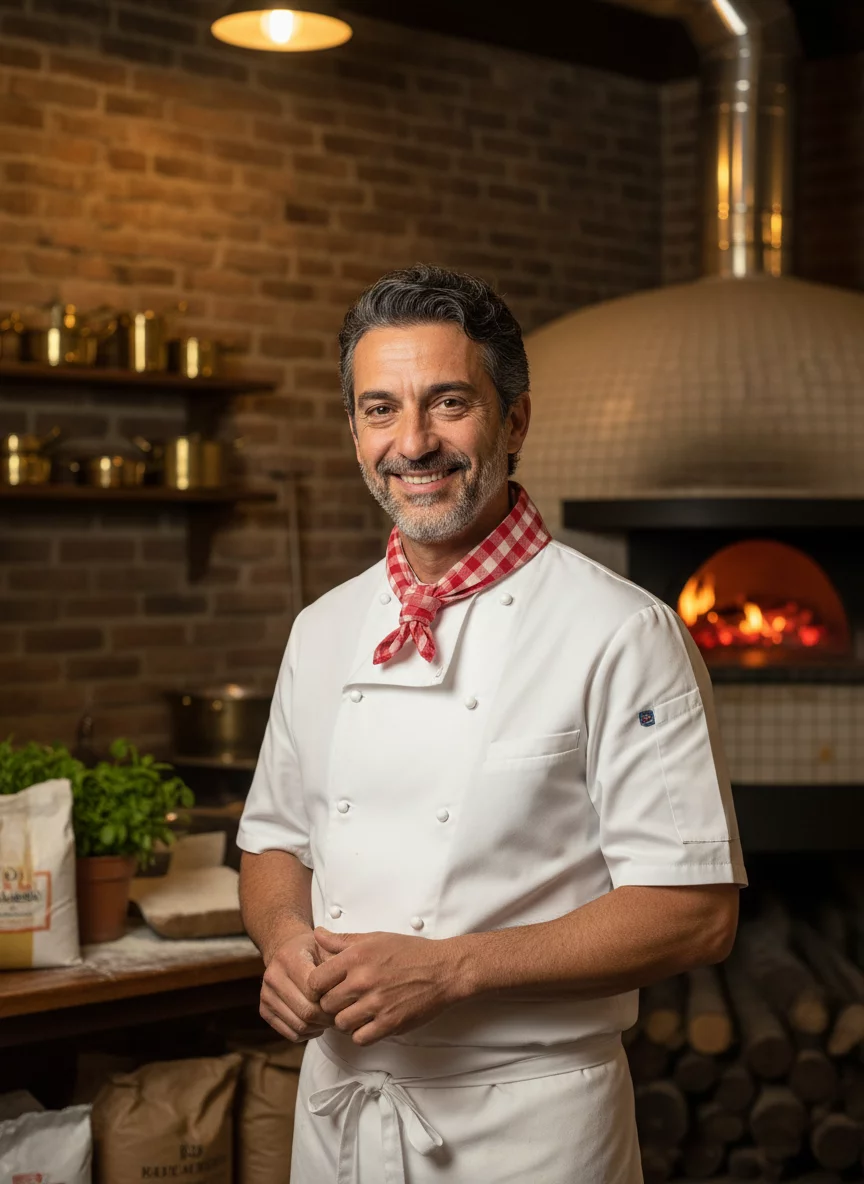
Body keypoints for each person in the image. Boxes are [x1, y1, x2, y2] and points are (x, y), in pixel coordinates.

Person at [237, 264, 747, 1184]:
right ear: (354, 431)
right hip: (340, 1119)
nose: (413, 443)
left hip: (531, 1127)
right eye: (381, 409)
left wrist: (454, 969)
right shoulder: (322, 628)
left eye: (449, 403)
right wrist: (280, 940)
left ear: (514, 421)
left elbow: (696, 913)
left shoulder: (622, 632)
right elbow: (274, 841)